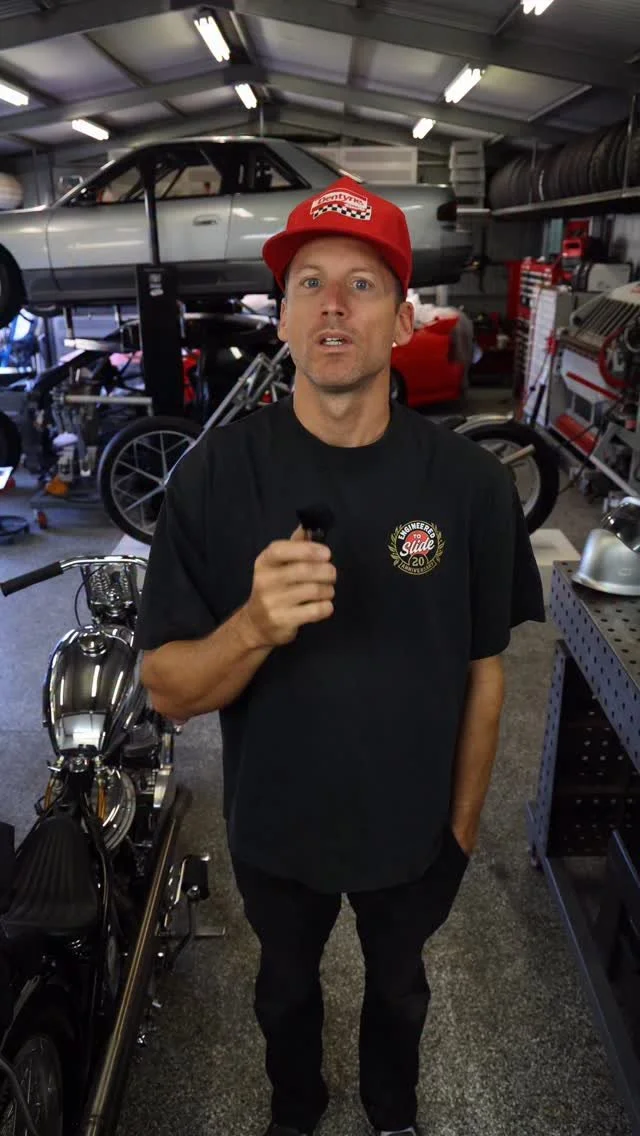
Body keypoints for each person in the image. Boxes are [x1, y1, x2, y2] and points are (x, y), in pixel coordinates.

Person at [134, 177, 546, 1136]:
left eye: (362, 285)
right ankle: (297, 1110)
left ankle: (392, 1113)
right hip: (276, 833)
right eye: (308, 283)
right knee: (283, 992)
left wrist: (460, 833)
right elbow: (166, 691)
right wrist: (252, 626)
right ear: (281, 318)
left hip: (414, 835)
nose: (332, 305)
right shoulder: (215, 477)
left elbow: (485, 672)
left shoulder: (472, 487)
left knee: (400, 991)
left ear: (402, 321)